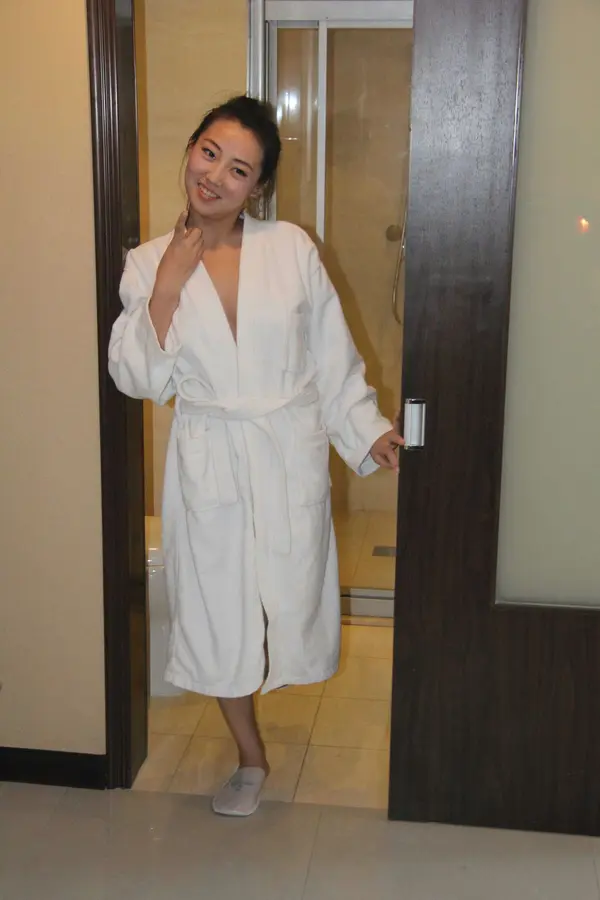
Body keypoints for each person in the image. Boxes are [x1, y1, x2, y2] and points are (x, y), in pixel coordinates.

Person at [109, 95, 404, 817]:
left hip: (282, 447)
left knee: (284, 595)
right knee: (220, 610)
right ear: (190, 149)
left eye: (238, 169)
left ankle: (268, 713)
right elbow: (137, 378)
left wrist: (365, 427)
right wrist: (170, 283)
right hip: (210, 456)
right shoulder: (146, 263)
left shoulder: (290, 248)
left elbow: (330, 353)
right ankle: (249, 756)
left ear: (258, 187)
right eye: (209, 153)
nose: (214, 176)